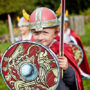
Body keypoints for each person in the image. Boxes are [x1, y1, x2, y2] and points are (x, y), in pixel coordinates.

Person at [28, 7, 84, 90]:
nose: (40, 37)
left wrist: (66, 68)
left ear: (55, 33)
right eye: (36, 33)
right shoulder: (29, 51)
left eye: (45, 33)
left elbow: (71, 81)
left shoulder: (61, 49)